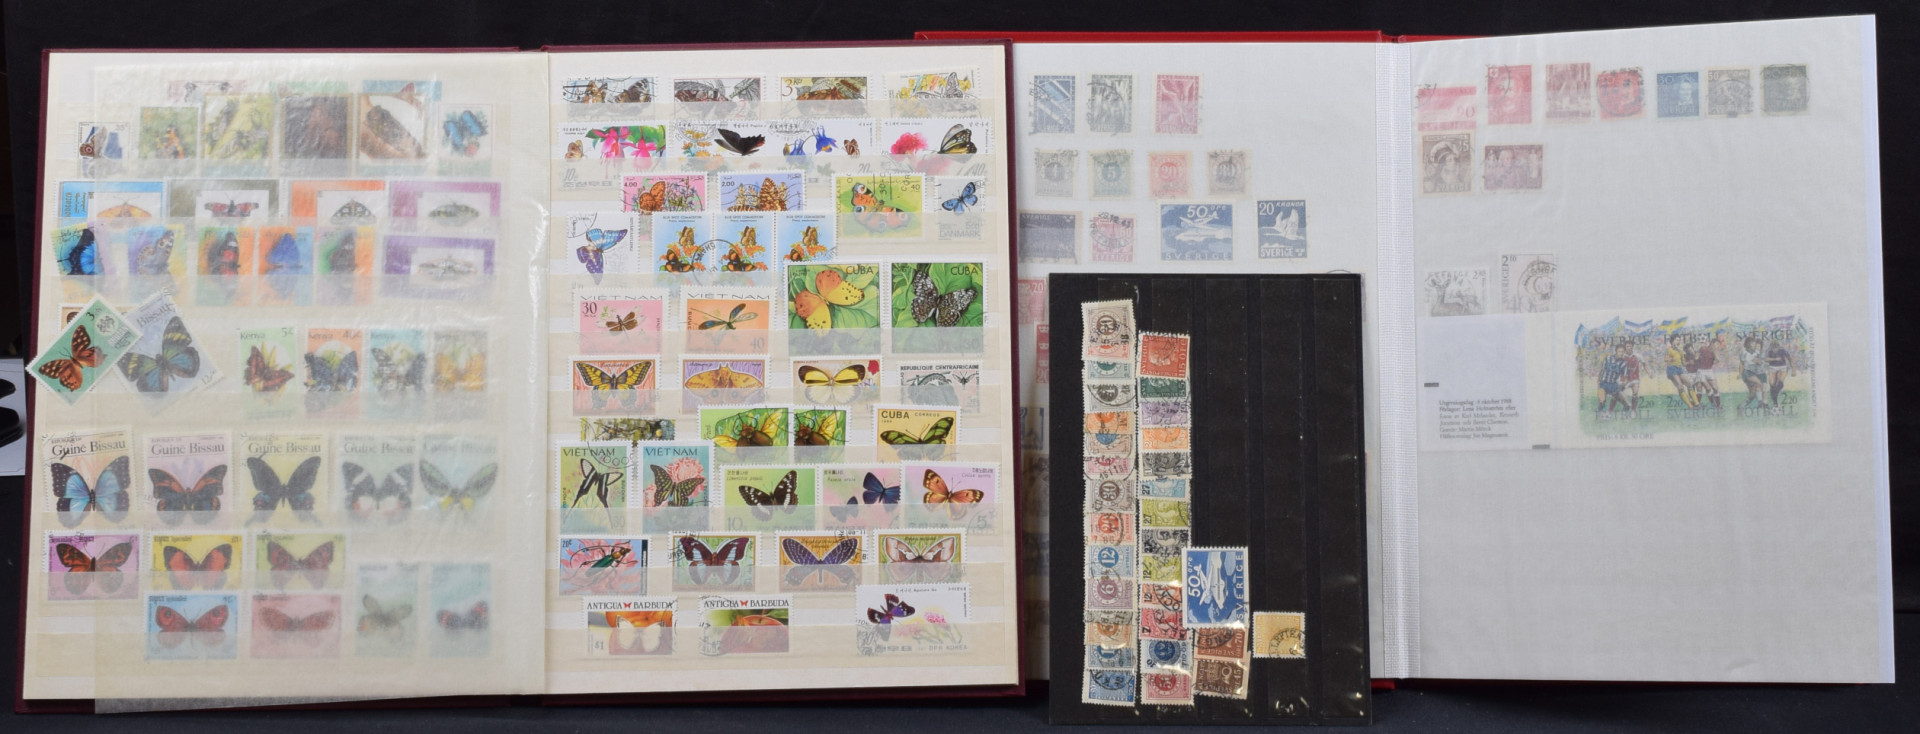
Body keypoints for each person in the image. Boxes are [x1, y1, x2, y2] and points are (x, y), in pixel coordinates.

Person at [1598, 343, 1631, 413]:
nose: (1621, 353)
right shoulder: (1608, 358)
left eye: (1622, 352)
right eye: (1619, 351)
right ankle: (1599, 415)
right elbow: (1601, 370)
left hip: (1613, 385)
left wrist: (1623, 384)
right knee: (1602, 402)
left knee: (1627, 405)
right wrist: (1598, 381)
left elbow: (1626, 378)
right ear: (1616, 351)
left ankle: (1624, 415)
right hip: (1604, 383)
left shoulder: (1624, 363)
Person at [1765, 337, 1797, 407]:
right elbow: (1766, 359)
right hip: (1772, 367)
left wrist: (1793, 369)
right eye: (1773, 348)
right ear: (1771, 347)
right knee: (1772, 384)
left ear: (1778, 347)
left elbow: (1790, 359)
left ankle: (1775, 397)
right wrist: (1775, 359)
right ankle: (1775, 403)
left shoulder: (1782, 350)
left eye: (1776, 348)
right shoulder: (1769, 351)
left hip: (1782, 367)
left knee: (1780, 382)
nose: (1775, 349)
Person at [1739, 335, 1768, 409]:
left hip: (1753, 373)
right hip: (1747, 372)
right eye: (1753, 343)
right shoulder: (1744, 352)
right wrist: (1740, 374)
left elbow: (1759, 361)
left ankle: (1741, 406)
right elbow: (1741, 364)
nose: (1754, 344)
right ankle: (1760, 402)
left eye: (1754, 343)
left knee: (1753, 394)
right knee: (1759, 383)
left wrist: (1759, 361)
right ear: (1748, 343)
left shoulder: (1756, 352)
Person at [1665, 333, 1693, 408]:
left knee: (1689, 383)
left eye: (1679, 340)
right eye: (1677, 340)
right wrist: (1672, 359)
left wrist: (1689, 362)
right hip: (1672, 369)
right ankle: (1690, 406)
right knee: (1680, 386)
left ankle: (1696, 404)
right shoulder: (1669, 349)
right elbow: (1666, 359)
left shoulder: (1680, 351)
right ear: (1672, 341)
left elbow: (1683, 363)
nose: (1678, 341)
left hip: (1679, 369)